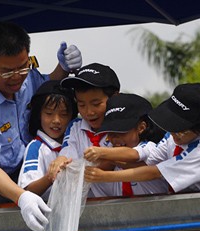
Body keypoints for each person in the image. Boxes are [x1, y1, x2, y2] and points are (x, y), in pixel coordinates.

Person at [0, 21, 82, 231]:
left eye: (22, 67)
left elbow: (45, 89)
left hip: (23, 174)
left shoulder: (24, 73)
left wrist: (64, 68)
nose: (17, 77)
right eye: (7, 72)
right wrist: (22, 197)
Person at [84, 83, 200, 193]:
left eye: (180, 130)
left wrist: (106, 176)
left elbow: (154, 172)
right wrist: (111, 160)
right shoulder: (172, 137)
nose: (174, 134)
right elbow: (144, 164)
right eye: (171, 126)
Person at [48, 62, 120, 197]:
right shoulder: (75, 127)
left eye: (96, 104)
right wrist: (60, 160)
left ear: (115, 98)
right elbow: (67, 153)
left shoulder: (124, 128)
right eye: (81, 105)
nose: (89, 112)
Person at [83, 92, 167, 196]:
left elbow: (133, 154)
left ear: (141, 128)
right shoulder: (113, 154)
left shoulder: (150, 147)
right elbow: (106, 163)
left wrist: (101, 153)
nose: (114, 138)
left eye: (121, 132)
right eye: (110, 133)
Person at [18, 80, 77, 201]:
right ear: (38, 115)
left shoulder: (76, 141)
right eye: (49, 113)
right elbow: (27, 190)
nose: (56, 120)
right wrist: (51, 176)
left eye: (63, 114)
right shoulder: (36, 147)